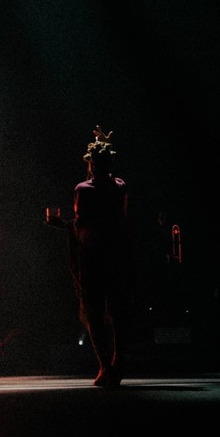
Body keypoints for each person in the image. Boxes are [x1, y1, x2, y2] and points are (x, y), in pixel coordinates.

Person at [48, 125, 134, 386]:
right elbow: (123, 219)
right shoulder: (119, 185)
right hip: (117, 255)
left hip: (94, 258)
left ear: (92, 164)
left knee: (93, 311)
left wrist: (63, 225)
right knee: (118, 311)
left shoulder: (83, 189)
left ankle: (105, 364)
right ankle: (117, 361)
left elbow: (82, 223)